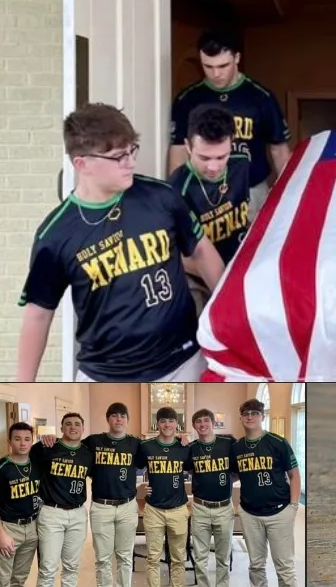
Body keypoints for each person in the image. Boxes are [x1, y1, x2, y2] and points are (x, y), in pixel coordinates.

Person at [16, 102, 225, 383]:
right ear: (82, 163)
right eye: (118, 156)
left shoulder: (162, 197)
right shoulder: (55, 235)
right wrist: (23, 390)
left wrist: (227, 319)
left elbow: (200, 250)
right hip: (106, 377)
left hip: (183, 361)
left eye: (131, 150)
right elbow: (39, 314)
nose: (131, 162)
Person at [169, 29, 292, 220]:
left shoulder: (261, 97)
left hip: (251, 189)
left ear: (237, 58)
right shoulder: (188, 99)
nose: (215, 73)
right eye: (207, 66)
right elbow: (178, 152)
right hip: (202, 190)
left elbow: (279, 150)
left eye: (223, 65)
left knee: (252, 246)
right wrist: (176, 198)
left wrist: (289, 193)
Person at [40, 402, 141, 587]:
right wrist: (50, 437)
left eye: (122, 416)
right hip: (101, 507)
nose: (118, 419)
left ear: (127, 420)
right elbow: (71, 442)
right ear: (107, 419)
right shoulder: (93, 442)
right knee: (103, 558)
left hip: (127, 506)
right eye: (114, 415)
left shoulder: (135, 443)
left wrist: (180, 439)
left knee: (125, 557)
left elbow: (155, 459)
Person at [169, 104, 251, 315]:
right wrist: (218, 280)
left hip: (241, 268)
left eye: (221, 157)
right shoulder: (175, 190)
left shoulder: (241, 164)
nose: (213, 167)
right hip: (197, 280)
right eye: (204, 158)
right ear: (188, 146)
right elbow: (174, 253)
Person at [231, 399, 301, 587]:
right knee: (256, 565)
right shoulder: (237, 448)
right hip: (250, 513)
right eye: (246, 414)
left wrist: (293, 507)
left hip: (279, 512)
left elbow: (294, 476)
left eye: (254, 413)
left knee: (284, 566)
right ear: (241, 418)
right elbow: (232, 475)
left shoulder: (278, 442)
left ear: (262, 416)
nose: (250, 417)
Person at [30, 413, 94, 587]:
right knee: (48, 567)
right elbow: (24, 464)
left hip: (78, 513)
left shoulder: (88, 454)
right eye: (68, 424)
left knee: (71, 566)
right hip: (52, 512)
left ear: (83, 428)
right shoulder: (47, 447)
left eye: (76, 424)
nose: (72, 427)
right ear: (61, 428)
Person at [136, 407, 193, 587]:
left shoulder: (184, 447)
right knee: (153, 558)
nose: (167, 425)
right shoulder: (146, 447)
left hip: (178, 509)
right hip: (154, 510)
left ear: (177, 424)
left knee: (178, 558)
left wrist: (184, 439)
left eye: (171, 421)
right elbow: (132, 469)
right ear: (157, 423)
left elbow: (197, 471)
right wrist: (140, 490)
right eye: (163, 421)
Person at [189, 409, 237, 587]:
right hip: (200, 507)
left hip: (224, 507)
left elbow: (239, 469)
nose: (202, 424)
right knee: (200, 557)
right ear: (194, 426)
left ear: (213, 423)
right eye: (198, 422)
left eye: (205, 421)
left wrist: (225, 479)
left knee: (222, 557)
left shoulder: (228, 443)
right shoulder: (192, 448)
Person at [0, 423, 41, 587]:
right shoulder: (2, 467)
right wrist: (1, 535)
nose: (22, 444)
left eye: (27, 439)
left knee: (19, 578)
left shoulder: (37, 465)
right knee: (3, 579)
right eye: (17, 439)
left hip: (32, 528)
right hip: (9, 527)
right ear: (10, 441)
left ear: (32, 441)